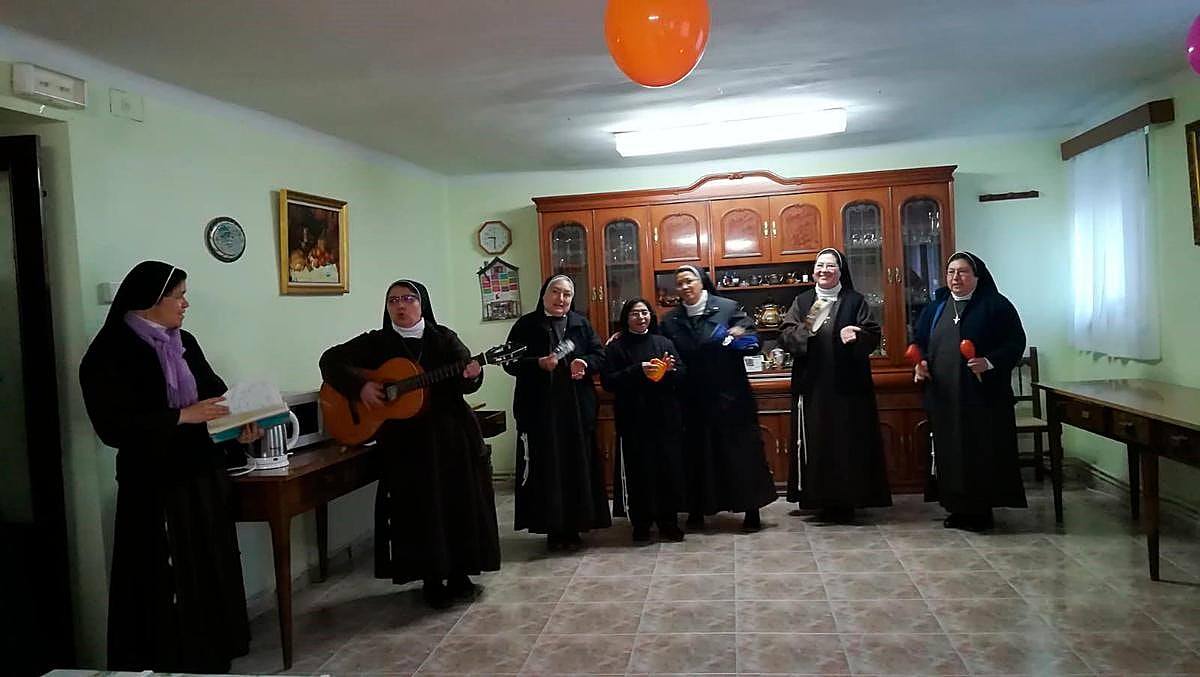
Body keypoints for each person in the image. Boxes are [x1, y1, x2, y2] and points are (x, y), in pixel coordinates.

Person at [78, 261, 257, 673]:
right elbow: (112, 427)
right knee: (165, 577)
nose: (185, 304)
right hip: (153, 482)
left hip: (202, 473)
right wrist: (181, 416)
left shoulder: (185, 342)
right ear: (151, 300)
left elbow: (215, 396)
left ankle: (214, 654)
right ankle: (169, 660)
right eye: (179, 296)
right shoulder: (109, 353)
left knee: (211, 566)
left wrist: (241, 424)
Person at [319, 279, 500, 608]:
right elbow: (329, 361)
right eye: (393, 301)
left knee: (458, 504)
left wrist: (473, 375)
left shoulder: (444, 338)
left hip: (450, 437)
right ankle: (431, 580)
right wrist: (360, 387)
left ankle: (460, 576)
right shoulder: (376, 342)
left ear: (422, 304)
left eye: (408, 299)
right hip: (405, 444)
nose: (400, 306)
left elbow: (466, 383)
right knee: (418, 511)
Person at [912, 252, 1027, 531]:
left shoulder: (995, 305)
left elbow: (1015, 342)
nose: (956, 278)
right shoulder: (937, 307)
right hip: (944, 398)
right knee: (950, 453)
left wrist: (989, 362)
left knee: (979, 453)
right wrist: (921, 363)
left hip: (982, 398)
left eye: (962, 272)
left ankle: (981, 510)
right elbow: (920, 341)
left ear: (977, 276)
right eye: (951, 272)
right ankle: (956, 507)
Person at [777, 248, 891, 523]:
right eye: (820, 266)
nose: (824, 270)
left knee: (848, 444)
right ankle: (819, 500)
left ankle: (849, 501)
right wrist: (809, 328)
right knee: (818, 443)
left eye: (830, 266)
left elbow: (873, 334)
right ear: (813, 271)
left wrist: (857, 334)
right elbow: (786, 334)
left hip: (848, 389)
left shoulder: (854, 300)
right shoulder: (804, 301)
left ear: (841, 272)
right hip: (813, 388)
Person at [660, 265, 777, 531]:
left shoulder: (727, 308)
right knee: (696, 456)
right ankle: (697, 509)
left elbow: (754, 340)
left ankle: (751, 509)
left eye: (689, 281)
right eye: (679, 283)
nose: (685, 287)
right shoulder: (670, 320)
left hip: (730, 397)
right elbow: (662, 349)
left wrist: (739, 337)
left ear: (702, 281)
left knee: (741, 455)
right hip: (691, 399)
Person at [504, 275, 611, 550]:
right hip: (540, 411)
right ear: (544, 294)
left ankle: (576, 526)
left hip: (576, 410)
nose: (561, 299)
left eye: (567, 294)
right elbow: (509, 362)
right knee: (547, 470)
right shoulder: (526, 325)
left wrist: (584, 363)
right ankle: (552, 528)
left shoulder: (581, 324)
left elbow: (600, 355)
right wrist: (537, 364)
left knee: (576, 468)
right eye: (555, 292)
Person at [601, 298, 687, 543]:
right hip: (633, 420)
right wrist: (637, 370)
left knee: (667, 472)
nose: (641, 318)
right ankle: (641, 524)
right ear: (626, 318)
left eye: (645, 313)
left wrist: (670, 371)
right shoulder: (616, 347)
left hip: (665, 419)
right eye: (635, 314)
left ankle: (669, 523)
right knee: (639, 473)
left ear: (651, 316)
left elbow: (683, 374)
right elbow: (608, 382)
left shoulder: (664, 343)